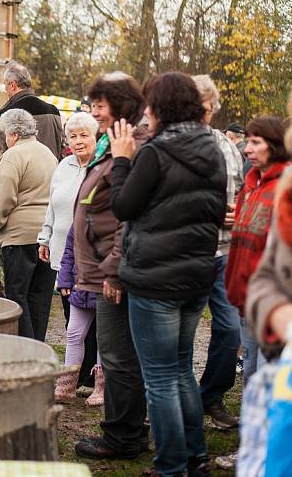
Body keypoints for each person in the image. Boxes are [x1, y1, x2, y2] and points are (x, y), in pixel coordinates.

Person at [108, 72, 227, 477]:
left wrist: (121, 158)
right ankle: (196, 459)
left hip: (156, 280)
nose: (145, 112)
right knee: (179, 371)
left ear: (160, 108)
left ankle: (172, 466)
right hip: (195, 275)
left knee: (159, 379)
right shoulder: (212, 149)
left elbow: (123, 206)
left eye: (149, 105)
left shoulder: (155, 153)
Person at [73, 71, 149, 461]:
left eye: (100, 105)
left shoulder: (129, 144)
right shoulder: (113, 140)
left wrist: (115, 268)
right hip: (106, 265)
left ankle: (122, 437)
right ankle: (128, 432)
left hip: (114, 270)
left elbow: (127, 215)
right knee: (120, 355)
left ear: (119, 104)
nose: (94, 111)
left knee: (118, 356)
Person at [191, 74, 244, 430]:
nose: (203, 112)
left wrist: (239, 210)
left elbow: (239, 194)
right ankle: (169, 401)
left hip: (222, 251)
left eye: (207, 107)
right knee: (177, 335)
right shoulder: (166, 141)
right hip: (185, 254)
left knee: (230, 331)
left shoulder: (224, 145)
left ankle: (211, 394)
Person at [39, 112, 102, 404]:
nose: (78, 141)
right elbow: (51, 205)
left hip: (92, 257)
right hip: (64, 253)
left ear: (95, 136)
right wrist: (45, 236)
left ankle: (94, 378)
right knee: (72, 316)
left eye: (83, 135)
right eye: (73, 136)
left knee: (99, 323)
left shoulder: (102, 169)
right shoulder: (63, 166)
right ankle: (75, 377)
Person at [227, 116, 290, 381]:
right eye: (247, 141)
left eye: (256, 142)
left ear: (275, 145)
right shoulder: (251, 185)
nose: (246, 149)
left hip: (274, 304)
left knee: (269, 376)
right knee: (250, 373)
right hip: (246, 301)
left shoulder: (284, 187)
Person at [0, 109, 57, 340]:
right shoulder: (48, 153)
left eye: (6, 134)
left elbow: (4, 197)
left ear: (14, 133)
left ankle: (25, 348)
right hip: (46, 235)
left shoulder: (13, 155)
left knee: (17, 295)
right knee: (40, 296)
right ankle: (38, 346)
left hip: (19, 236)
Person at [0, 60, 63, 202]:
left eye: (5, 86)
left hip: (18, 192)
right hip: (50, 189)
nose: (5, 90)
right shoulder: (54, 112)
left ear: (12, 85)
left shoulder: (7, 114)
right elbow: (61, 149)